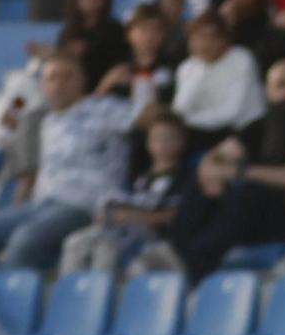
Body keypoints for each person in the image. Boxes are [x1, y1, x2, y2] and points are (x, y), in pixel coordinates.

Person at [0, 55, 135, 277]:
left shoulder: (105, 108)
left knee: (25, 239)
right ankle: (6, 290)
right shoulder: (45, 119)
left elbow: (152, 119)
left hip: (84, 205)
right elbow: (8, 126)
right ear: (43, 85)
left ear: (83, 81)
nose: (59, 84)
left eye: (68, 77)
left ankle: (11, 296)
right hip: (42, 203)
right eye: (52, 78)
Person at [170, 56, 285, 277]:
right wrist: (210, 173)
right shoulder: (258, 127)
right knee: (198, 184)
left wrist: (237, 172)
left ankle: (199, 262)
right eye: (280, 85)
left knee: (250, 192)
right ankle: (177, 252)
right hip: (262, 216)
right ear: (268, 90)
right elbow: (217, 156)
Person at [57, 110, 190, 275]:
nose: (162, 144)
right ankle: (73, 292)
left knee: (106, 247)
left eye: (168, 138)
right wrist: (110, 215)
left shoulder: (186, 177)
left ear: (182, 141)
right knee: (75, 242)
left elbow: (174, 216)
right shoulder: (141, 177)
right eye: (156, 138)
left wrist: (129, 217)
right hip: (123, 229)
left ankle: (100, 294)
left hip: (154, 239)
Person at [172, 10, 266, 152]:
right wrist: (201, 69)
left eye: (212, 36)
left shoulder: (241, 59)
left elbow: (231, 112)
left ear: (225, 39)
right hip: (202, 130)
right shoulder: (187, 67)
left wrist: (188, 121)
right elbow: (180, 109)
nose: (205, 43)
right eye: (198, 37)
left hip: (244, 130)